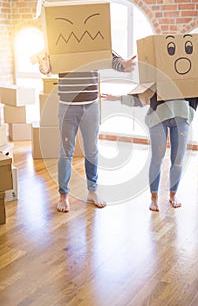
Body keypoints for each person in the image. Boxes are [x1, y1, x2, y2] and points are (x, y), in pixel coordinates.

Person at [102, 79, 198, 212]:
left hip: (182, 117)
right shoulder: (160, 70)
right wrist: (117, 98)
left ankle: (173, 195)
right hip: (158, 116)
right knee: (157, 159)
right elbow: (143, 96)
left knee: (177, 160)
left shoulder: (194, 73)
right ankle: (153, 197)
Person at [39, 52, 136, 212]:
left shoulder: (93, 32)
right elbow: (47, 68)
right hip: (67, 105)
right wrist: (43, 65)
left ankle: (92, 191)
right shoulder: (57, 37)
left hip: (90, 104)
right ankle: (63, 195)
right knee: (66, 152)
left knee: (91, 150)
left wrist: (124, 65)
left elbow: (110, 57)